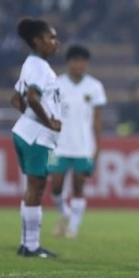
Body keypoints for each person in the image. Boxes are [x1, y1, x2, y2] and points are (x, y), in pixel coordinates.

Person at [11, 17, 61, 258]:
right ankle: (31, 246)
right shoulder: (40, 67)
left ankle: (26, 243)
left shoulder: (30, 64)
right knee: (36, 186)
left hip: (26, 131)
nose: (55, 42)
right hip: (36, 136)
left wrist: (31, 117)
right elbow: (31, 97)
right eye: (51, 37)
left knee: (34, 186)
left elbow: (15, 99)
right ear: (37, 41)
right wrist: (48, 121)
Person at [49, 45, 107, 239]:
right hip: (59, 145)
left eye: (83, 61)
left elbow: (97, 121)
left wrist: (97, 147)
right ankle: (64, 213)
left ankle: (73, 227)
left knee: (78, 186)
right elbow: (49, 115)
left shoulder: (95, 87)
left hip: (84, 146)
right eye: (75, 60)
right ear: (68, 63)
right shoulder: (56, 84)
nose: (79, 64)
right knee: (56, 185)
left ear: (87, 63)